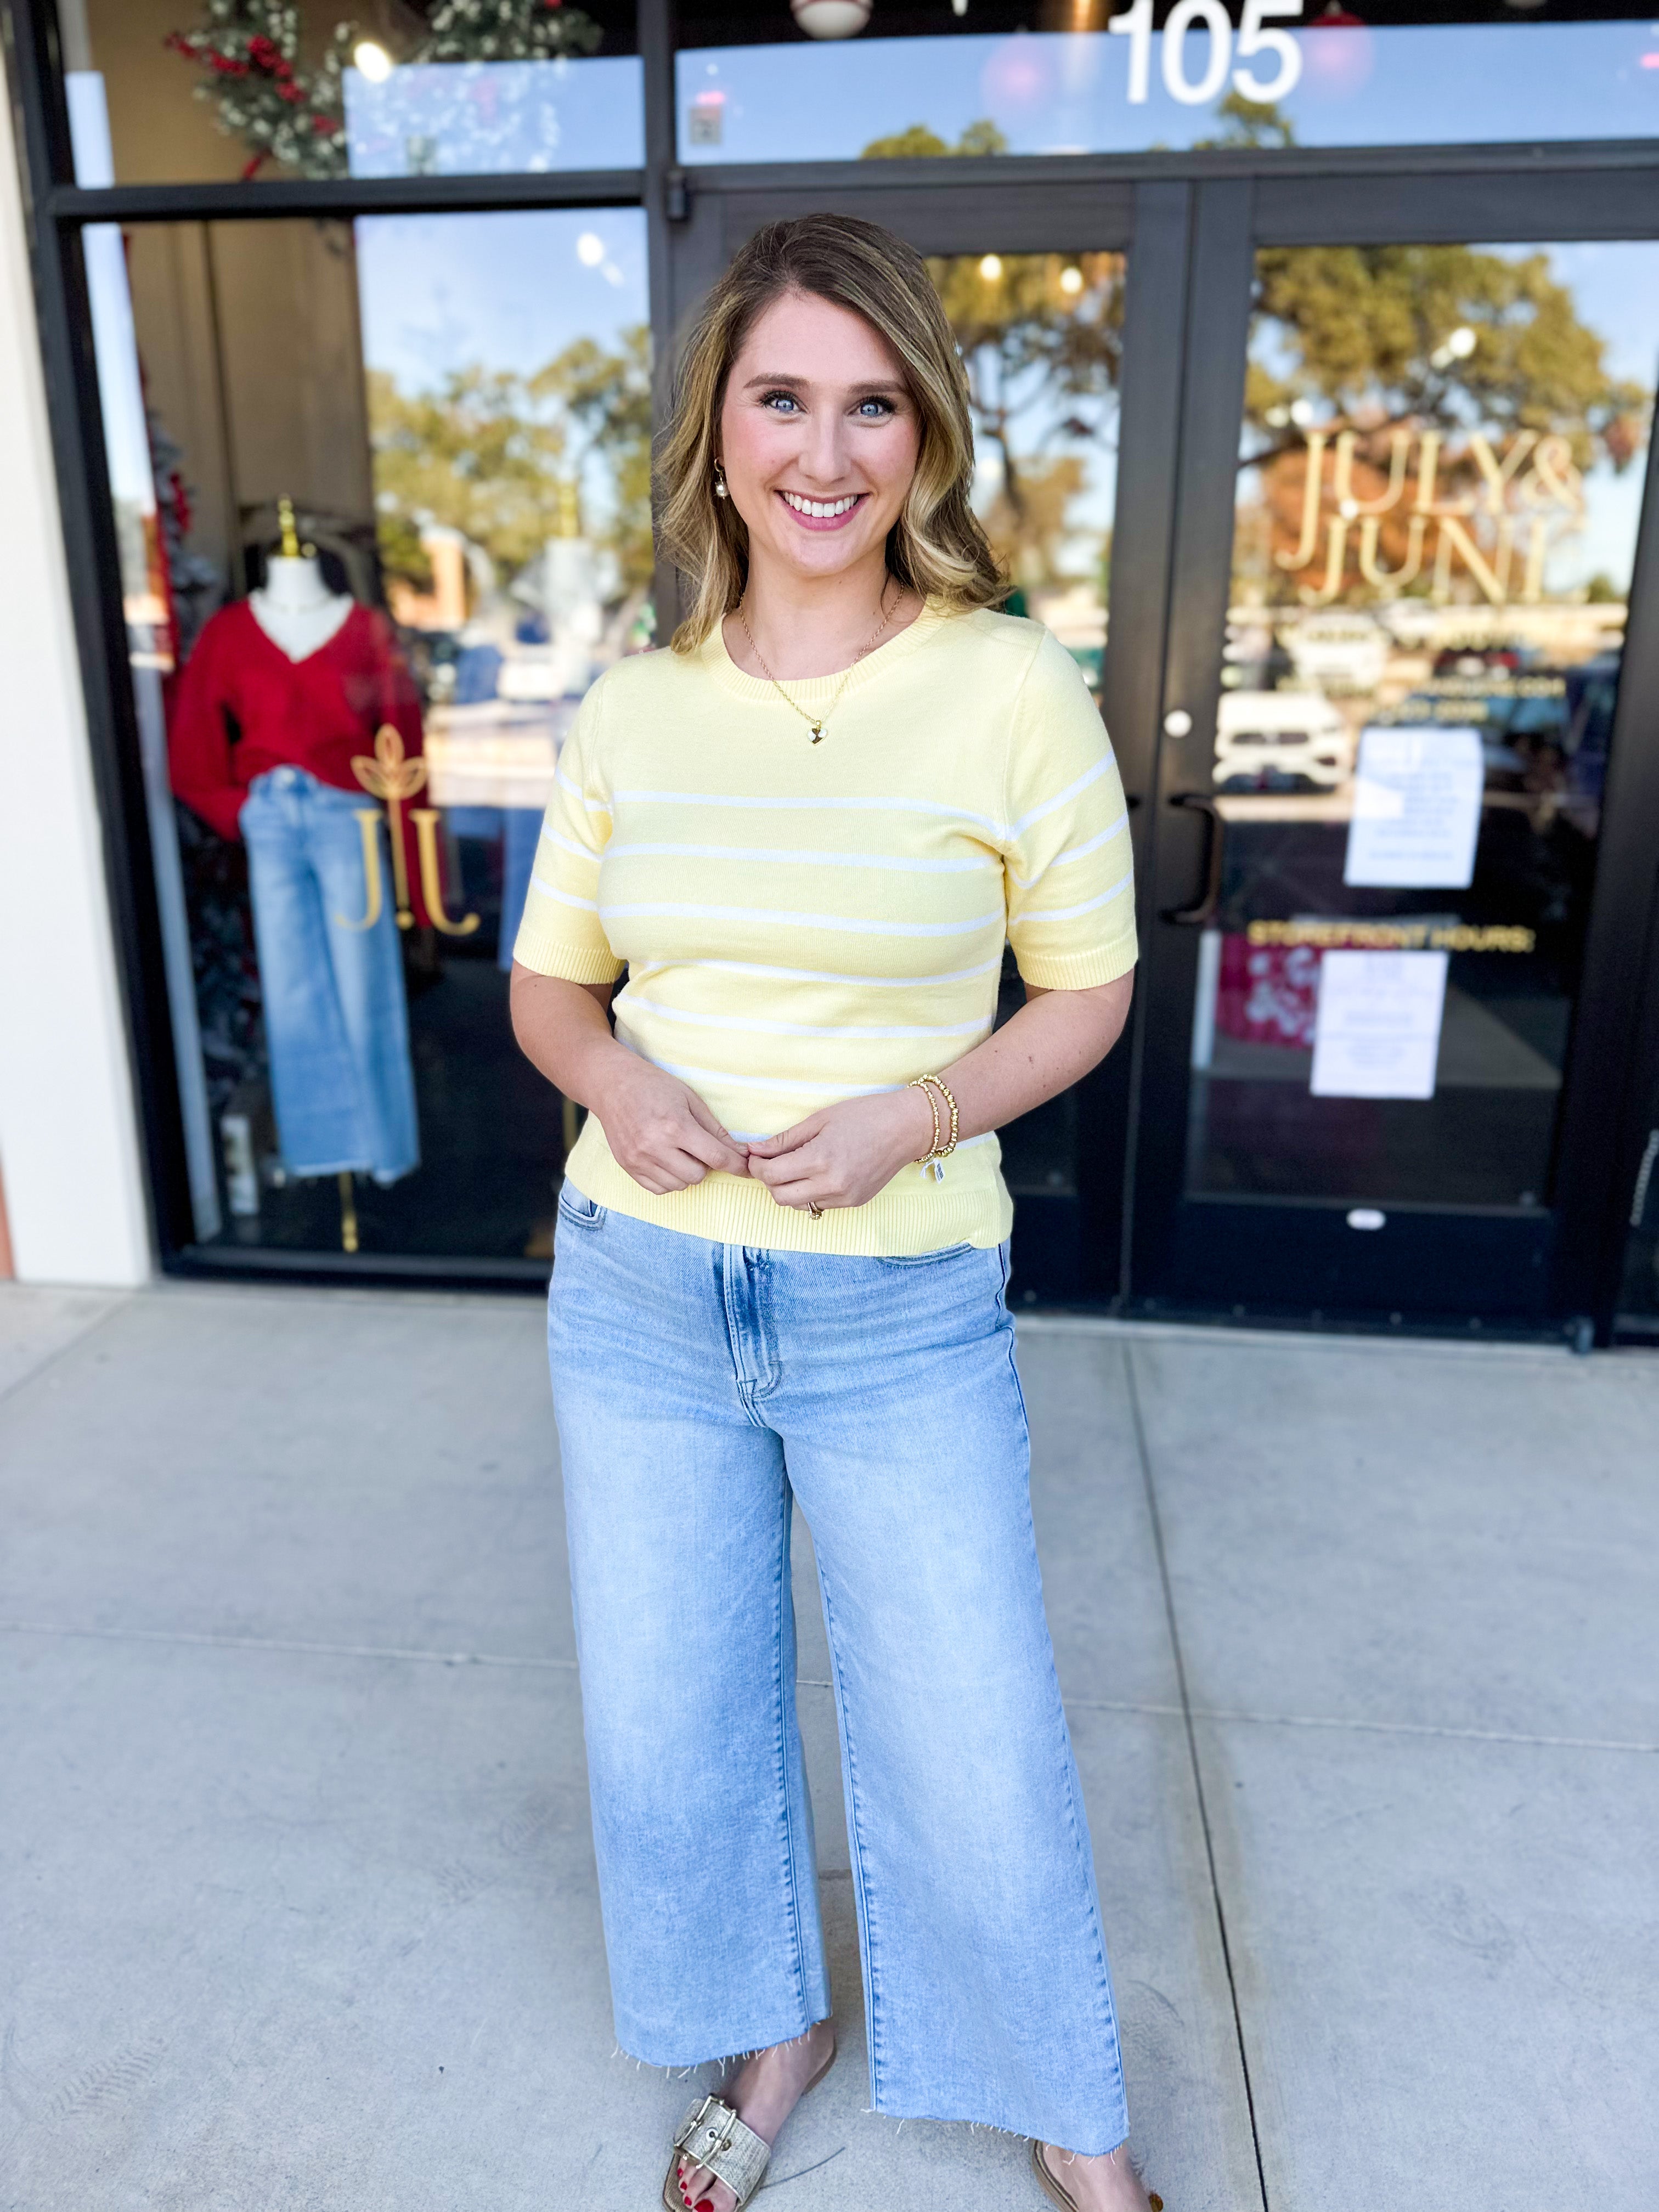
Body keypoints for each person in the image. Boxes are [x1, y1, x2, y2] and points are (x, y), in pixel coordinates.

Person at [510, 213, 1154, 2212]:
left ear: (923, 441)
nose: (825, 448)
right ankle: (774, 2030)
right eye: (783, 396)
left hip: (899, 1300)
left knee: (974, 1741)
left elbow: (1090, 992)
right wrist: (618, 1080)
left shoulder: (1007, 688)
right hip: (640, 1292)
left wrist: (922, 1110)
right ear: (718, 429)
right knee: (670, 1731)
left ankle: (1076, 2116)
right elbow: (551, 990)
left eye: (872, 404)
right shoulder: (633, 709)